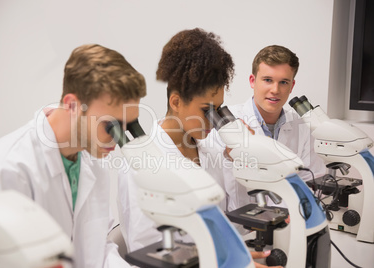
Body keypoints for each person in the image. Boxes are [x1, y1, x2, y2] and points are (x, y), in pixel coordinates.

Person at [118, 28, 282, 268]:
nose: (214, 120)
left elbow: (227, 224)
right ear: (176, 101)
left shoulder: (211, 148)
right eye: (206, 110)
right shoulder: (141, 163)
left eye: (220, 109)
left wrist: (240, 164)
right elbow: (149, 252)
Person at [0, 44, 146, 268]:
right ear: (72, 105)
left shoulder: (92, 157)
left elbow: (98, 250)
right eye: (111, 126)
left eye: (127, 126)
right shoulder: (8, 168)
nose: (118, 139)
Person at [227, 45, 326, 181]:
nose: (275, 90)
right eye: (268, 80)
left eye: (284, 82)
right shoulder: (227, 123)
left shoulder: (303, 128)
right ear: (252, 81)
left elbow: (311, 180)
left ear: (292, 86)